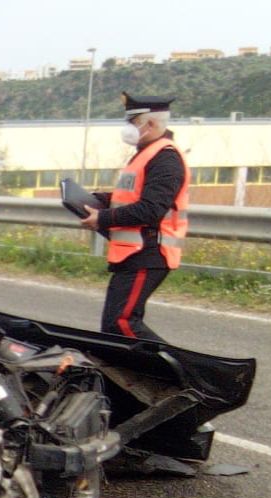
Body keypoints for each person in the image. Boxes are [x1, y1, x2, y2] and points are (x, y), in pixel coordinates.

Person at [79, 93, 188, 342]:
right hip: (133, 252)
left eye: (133, 121)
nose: (128, 127)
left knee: (122, 323)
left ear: (150, 124)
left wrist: (103, 218)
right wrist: (97, 200)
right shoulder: (146, 153)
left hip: (149, 251)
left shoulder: (166, 158)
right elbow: (131, 197)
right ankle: (136, 378)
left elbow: (151, 209)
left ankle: (182, 375)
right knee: (114, 326)